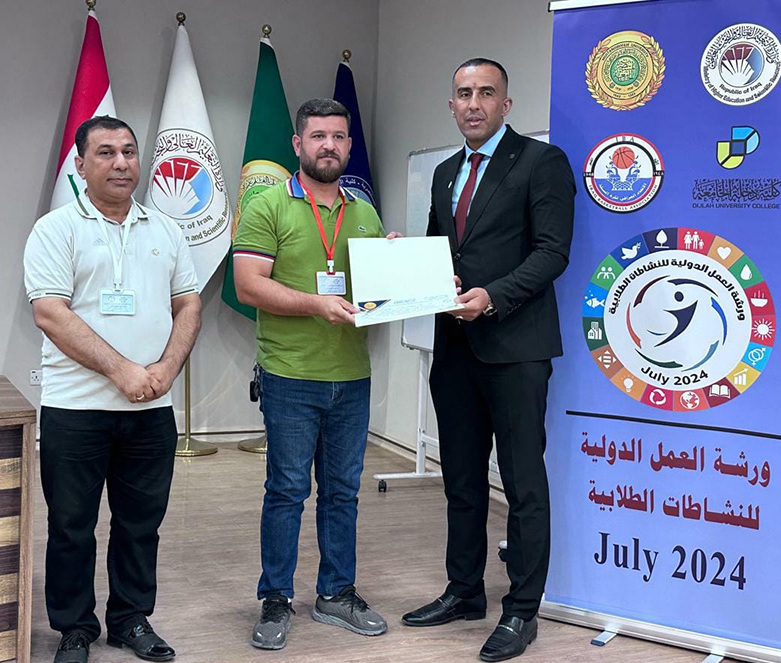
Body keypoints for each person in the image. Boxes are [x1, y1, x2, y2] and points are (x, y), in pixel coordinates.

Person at [401, 59, 575, 662]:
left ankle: (521, 610)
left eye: (485, 93)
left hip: (516, 348)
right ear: (451, 105)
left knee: (522, 483)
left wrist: (493, 296)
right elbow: (439, 252)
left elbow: (553, 252)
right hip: (454, 349)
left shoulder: (540, 162)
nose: (473, 103)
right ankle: (465, 590)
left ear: (506, 104)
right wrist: (404, 260)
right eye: (463, 93)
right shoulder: (445, 172)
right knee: (463, 479)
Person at [24, 116, 201, 663]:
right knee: (71, 526)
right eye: (105, 153)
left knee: (140, 524)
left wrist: (167, 368)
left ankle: (130, 620)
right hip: (75, 409)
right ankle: (75, 628)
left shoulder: (165, 230)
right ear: (80, 165)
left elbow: (188, 304)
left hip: (151, 409)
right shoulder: (55, 229)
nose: (121, 163)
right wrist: (122, 370)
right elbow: (50, 313)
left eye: (129, 151)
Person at [233, 98, 396, 651]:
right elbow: (248, 285)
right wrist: (314, 305)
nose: (330, 145)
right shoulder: (268, 205)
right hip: (290, 374)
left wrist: (398, 266)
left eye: (339, 136)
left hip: (351, 374)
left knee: (343, 492)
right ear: (298, 144)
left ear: (348, 146)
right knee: (286, 491)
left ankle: (336, 593)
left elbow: (374, 292)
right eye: (319, 136)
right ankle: (276, 597)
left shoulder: (365, 212)